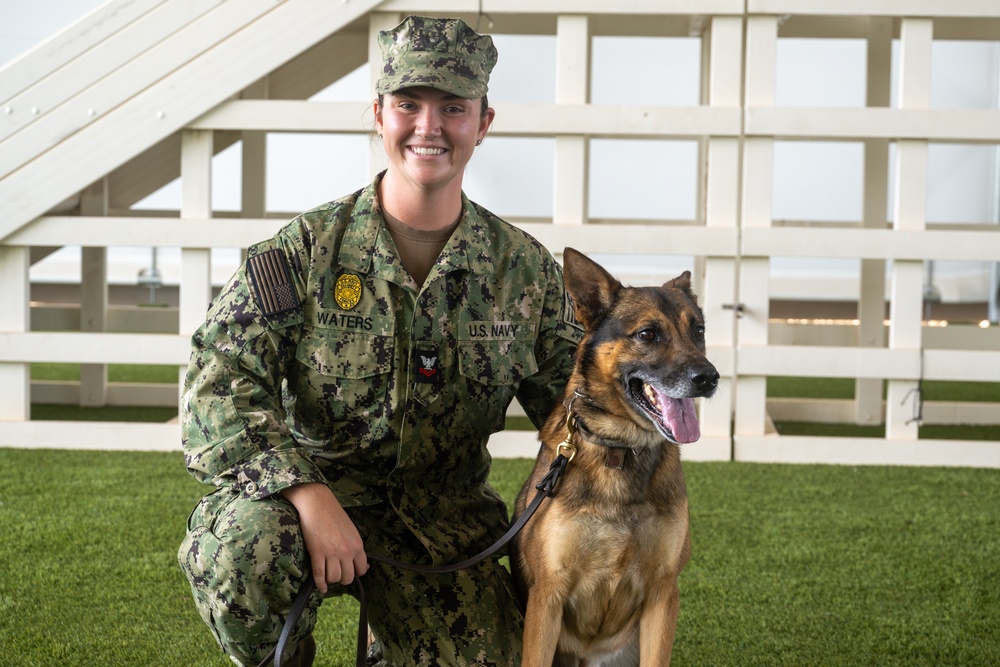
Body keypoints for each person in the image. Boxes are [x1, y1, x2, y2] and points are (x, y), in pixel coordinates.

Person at [177, 15, 582, 667]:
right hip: (313, 496)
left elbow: (577, 407)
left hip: (445, 526)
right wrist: (306, 494)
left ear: (483, 122)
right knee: (244, 543)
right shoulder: (303, 253)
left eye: (453, 107)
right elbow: (217, 386)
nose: (429, 127)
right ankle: (282, 654)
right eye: (408, 104)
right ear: (378, 113)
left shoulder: (524, 272)